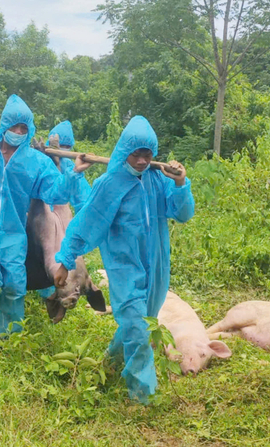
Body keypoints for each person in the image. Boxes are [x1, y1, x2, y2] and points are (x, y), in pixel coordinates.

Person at [53, 115, 194, 403]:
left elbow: (182, 213)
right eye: (136, 154)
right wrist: (66, 261)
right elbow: (87, 223)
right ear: (124, 152)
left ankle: (111, 362)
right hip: (124, 267)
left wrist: (180, 183)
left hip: (156, 266)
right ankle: (143, 397)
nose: (142, 161)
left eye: (147, 154)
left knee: (142, 321)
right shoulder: (110, 184)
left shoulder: (158, 179)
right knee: (137, 326)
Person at [0, 94, 92, 336]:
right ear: (5, 126)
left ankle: (6, 338)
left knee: (15, 286)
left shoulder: (35, 161)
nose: (18, 131)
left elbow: (55, 192)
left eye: (24, 127)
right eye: (15, 126)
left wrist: (74, 173)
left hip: (14, 233)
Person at [36, 120, 92, 300]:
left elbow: (83, 199)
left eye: (67, 146)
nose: (63, 149)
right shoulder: (40, 160)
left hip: (61, 216)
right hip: (39, 213)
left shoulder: (71, 167)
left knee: (56, 251)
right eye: (61, 146)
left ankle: (51, 289)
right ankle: (41, 286)